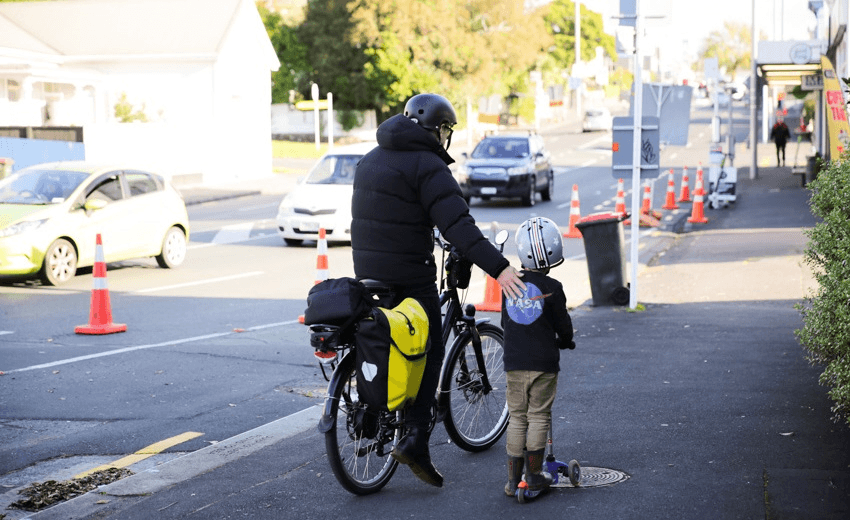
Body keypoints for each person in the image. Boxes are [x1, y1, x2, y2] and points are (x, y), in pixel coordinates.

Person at [350, 93, 526, 488]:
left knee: (384, 337)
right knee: (430, 347)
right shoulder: (428, 165)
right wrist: (499, 269)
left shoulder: (371, 158)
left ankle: (376, 414)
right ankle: (414, 438)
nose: (446, 137)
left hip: (368, 271)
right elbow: (459, 227)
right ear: (437, 129)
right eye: (446, 129)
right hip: (409, 275)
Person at [501, 217, 575, 497]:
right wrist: (566, 341)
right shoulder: (553, 288)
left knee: (517, 417)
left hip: (514, 363)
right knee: (539, 415)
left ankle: (512, 481)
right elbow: (563, 326)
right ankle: (533, 476)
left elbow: (505, 323)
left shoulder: (509, 284)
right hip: (543, 364)